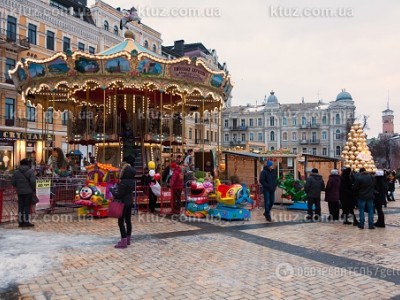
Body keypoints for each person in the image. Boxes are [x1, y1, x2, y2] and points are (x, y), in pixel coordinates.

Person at [110, 163, 136, 248]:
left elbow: (119, 195)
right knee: (128, 221)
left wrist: (112, 191)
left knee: (120, 222)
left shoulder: (123, 182)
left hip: (123, 203)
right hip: (129, 202)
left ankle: (123, 240)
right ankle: (128, 239)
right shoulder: (132, 182)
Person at [11, 158, 36, 227]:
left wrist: (18, 186)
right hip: (28, 192)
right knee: (27, 207)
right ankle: (26, 222)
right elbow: (33, 182)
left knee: (20, 207)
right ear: (27, 164)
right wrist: (32, 188)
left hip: (20, 192)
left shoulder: (16, 172)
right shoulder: (30, 171)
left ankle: (20, 222)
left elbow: (12, 182)